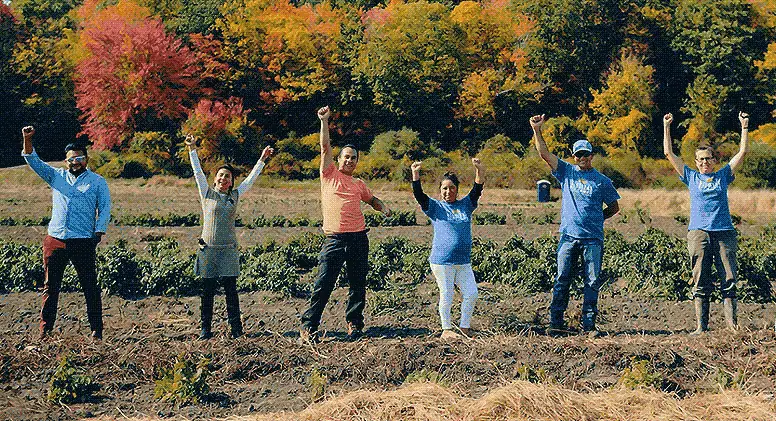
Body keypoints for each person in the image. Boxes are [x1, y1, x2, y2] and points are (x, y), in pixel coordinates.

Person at [299, 106, 391, 343]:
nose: (349, 160)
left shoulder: (358, 183)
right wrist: (324, 121)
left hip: (359, 237)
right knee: (323, 283)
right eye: (346, 157)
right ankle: (309, 327)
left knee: (358, 284)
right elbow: (324, 146)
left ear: (357, 162)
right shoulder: (329, 173)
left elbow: (372, 200)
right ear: (338, 160)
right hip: (336, 239)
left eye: (353, 158)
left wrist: (384, 208)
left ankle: (355, 324)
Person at [530, 115, 620, 336]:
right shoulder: (566, 172)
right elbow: (544, 153)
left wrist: (599, 218)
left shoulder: (602, 181)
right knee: (561, 279)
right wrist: (536, 129)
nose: (582, 158)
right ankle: (556, 323)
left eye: (586, 154)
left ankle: (589, 326)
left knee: (591, 282)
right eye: (579, 154)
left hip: (593, 239)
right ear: (574, 156)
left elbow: (614, 207)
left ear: (592, 156)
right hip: (569, 237)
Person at [21, 126, 111, 340]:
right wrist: (27, 139)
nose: (75, 162)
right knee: (50, 288)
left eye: (79, 158)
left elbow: (105, 208)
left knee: (90, 287)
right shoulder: (56, 176)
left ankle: (96, 331)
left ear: (86, 159)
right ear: (66, 161)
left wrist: (98, 233)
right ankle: (45, 332)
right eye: (71, 159)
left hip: (83, 241)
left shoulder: (97, 182)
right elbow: (33, 160)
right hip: (55, 240)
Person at [663, 112, 749, 334]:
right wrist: (667, 127)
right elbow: (668, 153)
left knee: (729, 279)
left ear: (714, 161)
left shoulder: (723, 176)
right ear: (696, 162)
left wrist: (744, 127)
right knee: (700, 279)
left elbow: (742, 152)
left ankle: (732, 327)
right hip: (699, 233)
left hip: (724, 232)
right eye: (700, 159)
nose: (704, 163)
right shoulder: (691, 177)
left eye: (708, 159)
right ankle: (701, 327)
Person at [185, 134, 274, 339]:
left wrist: (262, 160)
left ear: (232, 181)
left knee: (231, 293)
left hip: (228, 251)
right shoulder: (206, 193)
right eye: (221, 175)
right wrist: (192, 149)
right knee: (207, 293)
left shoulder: (235, 196)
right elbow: (197, 171)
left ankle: (236, 330)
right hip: (208, 249)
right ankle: (205, 330)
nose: (224, 179)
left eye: (228, 177)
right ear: (215, 178)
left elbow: (251, 179)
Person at [410, 159, 484, 339]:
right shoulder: (435, 207)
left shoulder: (466, 205)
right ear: (440, 190)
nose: (448, 191)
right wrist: (416, 174)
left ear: (457, 189)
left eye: (451, 188)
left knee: (472, 294)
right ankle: (446, 330)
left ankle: (464, 328)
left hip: (463, 261)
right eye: (444, 188)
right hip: (442, 261)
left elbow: (477, 189)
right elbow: (419, 195)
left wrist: (479, 169)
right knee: (447, 293)